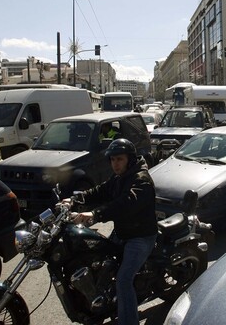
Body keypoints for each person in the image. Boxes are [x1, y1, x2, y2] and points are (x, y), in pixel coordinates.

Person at [65, 139, 157, 325]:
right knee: (98, 260)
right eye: (113, 159)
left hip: (140, 236)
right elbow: (101, 190)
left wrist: (95, 214)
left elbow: (125, 204)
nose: (115, 164)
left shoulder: (141, 180)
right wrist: (74, 200)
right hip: (123, 232)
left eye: (119, 159)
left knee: (123, 280)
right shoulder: (120, 177)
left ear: (129, 160)